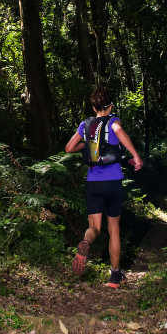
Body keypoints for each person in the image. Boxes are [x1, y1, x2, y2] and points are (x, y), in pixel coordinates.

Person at [64, 88, 143, 288]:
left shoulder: (85, 124)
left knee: (94, 227)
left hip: (93, 184)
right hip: (113, 181)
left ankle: (86, 243)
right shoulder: (113, 121)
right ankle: (115, 277)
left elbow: (69, 148)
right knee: (114, 228)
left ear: (93, 108)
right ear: (110, 106)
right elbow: (117, 132)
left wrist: (88, 143)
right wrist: (135, 154)